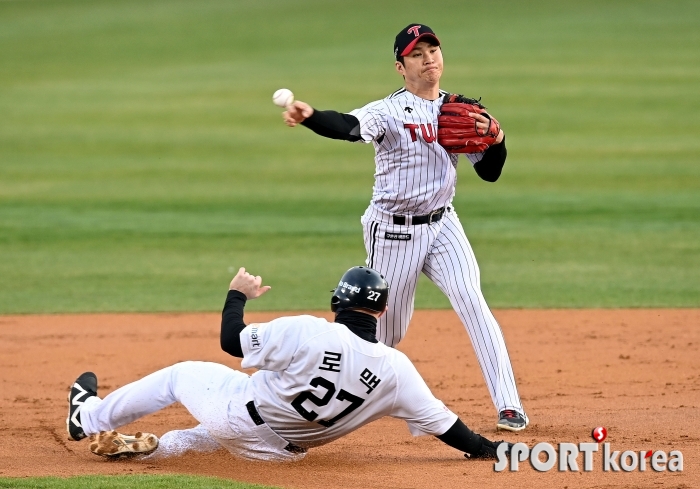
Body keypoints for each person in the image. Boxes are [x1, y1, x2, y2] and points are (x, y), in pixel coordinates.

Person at [281, 24, 528, 431]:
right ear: (401, 66)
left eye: (433, 50)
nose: (428, 58)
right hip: (392, 231)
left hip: (444, 225)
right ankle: (313, 408)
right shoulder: (387, 111)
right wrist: (310, 116)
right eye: (417, 54)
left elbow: (491, 175)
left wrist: (498, 140)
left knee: (473, 302)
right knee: (382, 335)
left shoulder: (459, 111)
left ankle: (509, 405)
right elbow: (346, 126)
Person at [66, 266, 511, 461]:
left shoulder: (310, 329)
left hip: (239, 414)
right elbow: (452, 430)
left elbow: (230, 342)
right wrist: (491, 450)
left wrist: (237, 293)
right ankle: (155, 448)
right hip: (280, 456)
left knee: (182, 375)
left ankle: (87, 417)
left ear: (339, 301)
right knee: (200, 440)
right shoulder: (398, 372)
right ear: (382, 312)